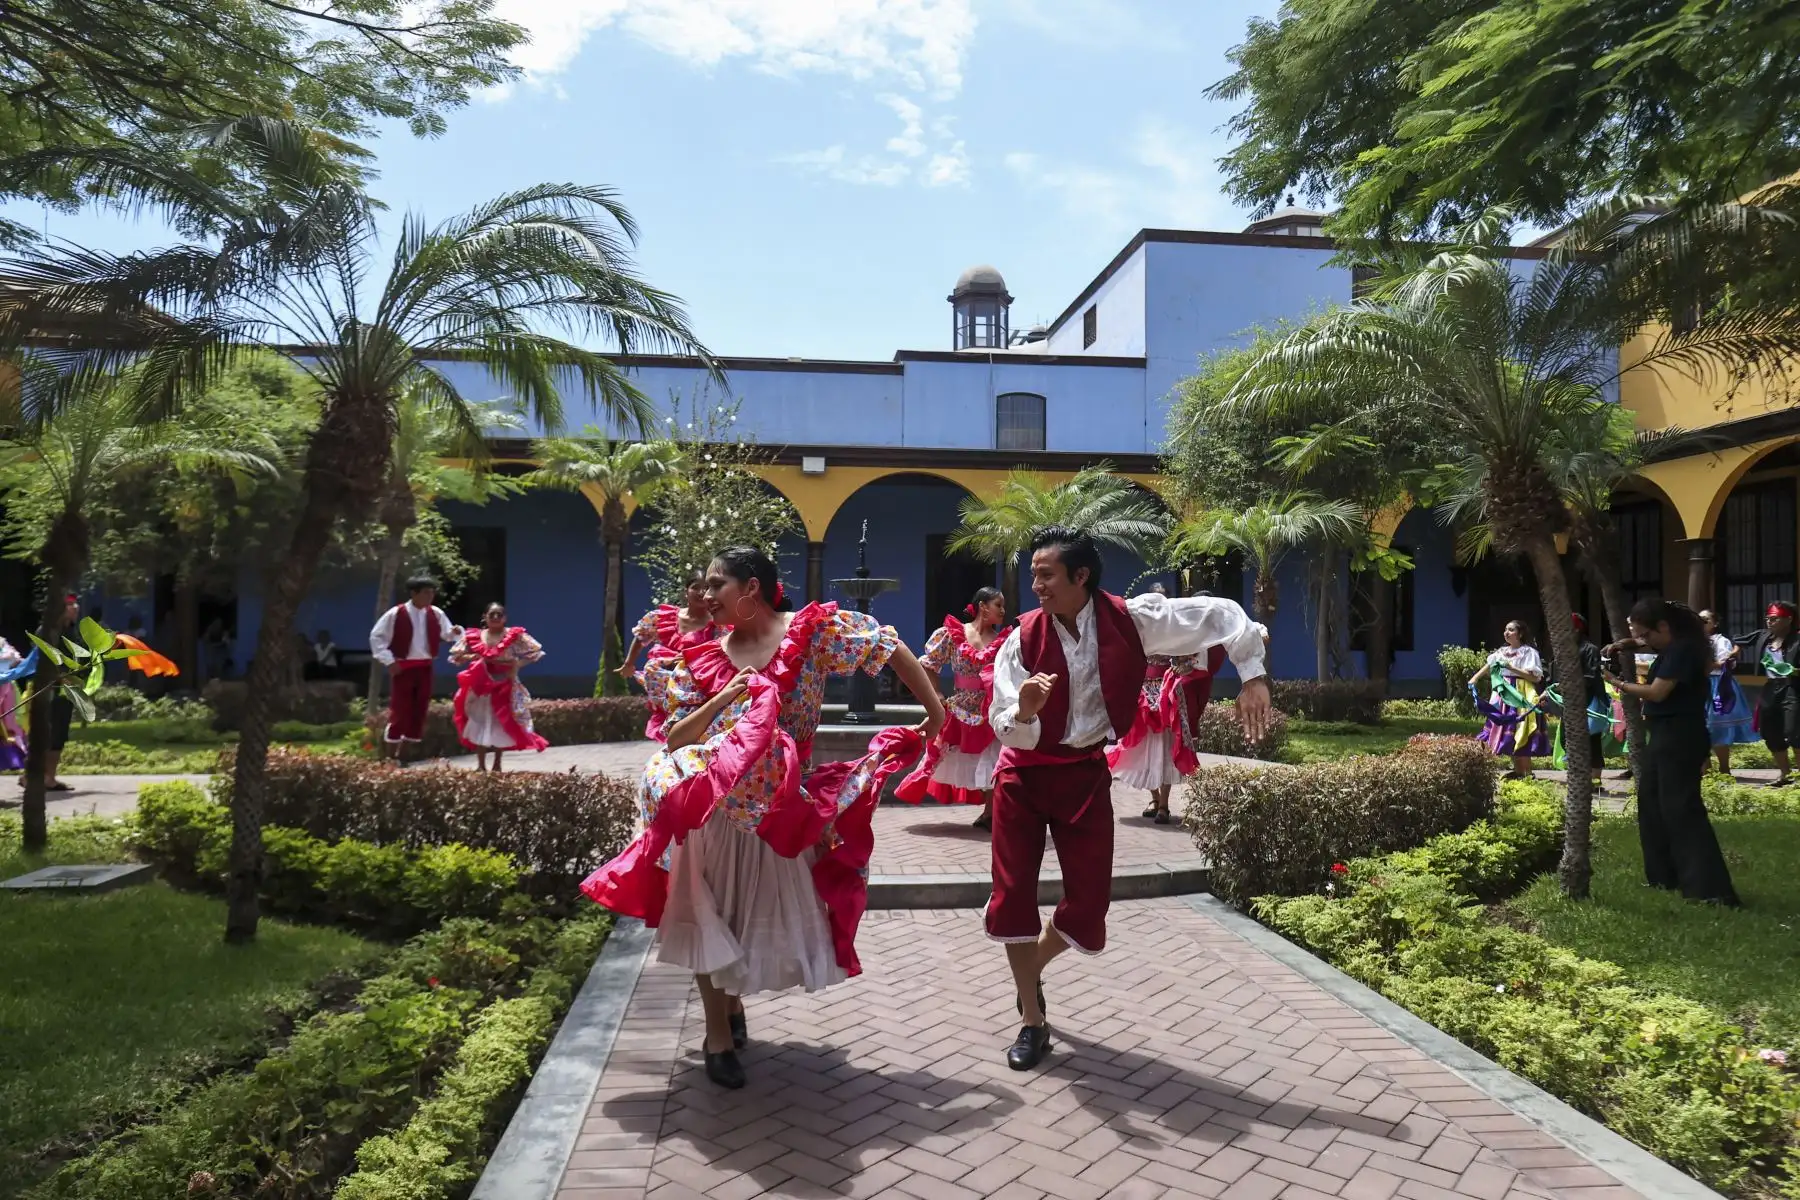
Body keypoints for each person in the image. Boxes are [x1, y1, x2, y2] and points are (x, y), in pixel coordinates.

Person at [581, 546, 945, 1091]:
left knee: (746, 917)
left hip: (778, 812)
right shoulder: (702, 656)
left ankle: (730, 1007)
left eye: (716, 585)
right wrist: (721, 699)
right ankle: (717, 1036)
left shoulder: (812, 634)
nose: (705, 596)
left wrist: (935, 711)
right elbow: (677, 737)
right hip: (711, 812)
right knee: (706, 911)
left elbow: (887, 645)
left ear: (751, 588)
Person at [986, 527, 1271, 1071]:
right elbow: (1004, 723)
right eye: (1034, 575)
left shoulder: (1131, 619)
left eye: (1046, 575)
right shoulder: (1021, 640)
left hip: (1085, 774)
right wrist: (1023, 711)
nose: (1036, 585)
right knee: (1014, 897)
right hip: (1023, 776)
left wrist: (1252, 674)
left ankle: (1030, 974)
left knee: (1089, 905)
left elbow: (1218, 613)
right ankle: (1032, 1021)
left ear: (1081, 576)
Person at [1604, 599, 1740, 906]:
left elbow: (1657, 692)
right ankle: (1664, 877)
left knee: (1682, 809)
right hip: (1663, 735)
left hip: (1681, 735)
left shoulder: (1683, 650)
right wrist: (1625, 644)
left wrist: (1617, 683)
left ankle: (1710, 889)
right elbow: (1645, 644)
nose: (1645, 641)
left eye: (1647, 634)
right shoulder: (1673, 646)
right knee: (1652, 803)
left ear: (1664, 627)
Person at [894, 586, 1011, 829]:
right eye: (998, 605)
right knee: (952, 756)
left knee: (993, 757)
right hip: (960, 708)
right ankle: (989, 812)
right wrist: (936, 694)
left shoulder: (1004, 641)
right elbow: (928, 665)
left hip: (990, 707)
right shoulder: (952, 634)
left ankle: (991, 812)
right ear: (982, 606)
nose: (1003, 611)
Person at [450, 602, 548, 772]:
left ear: (505, 618)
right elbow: (455, 657)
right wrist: (473, 658)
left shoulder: (515, 635)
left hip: (505, 683)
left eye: (499, 615)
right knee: (478, 720)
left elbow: (537, 653)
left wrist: (516, 666)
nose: (495, 617)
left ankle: (497, 763)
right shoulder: (475, 636)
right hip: (481, 684)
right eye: (492, 614)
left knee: (501, 721)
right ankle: (481, 765)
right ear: (485, 617)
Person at [369, 577, 459, 752]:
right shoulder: (396, 613)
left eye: (432, 593)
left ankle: (405, 753)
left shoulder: (436, 613)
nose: (430, 596)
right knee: (400, 708)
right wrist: (389, 661)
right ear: (414, 593)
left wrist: (454, 632)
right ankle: (390, 753)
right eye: (426, 592)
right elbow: (377, 637)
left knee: (420, 708)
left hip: (425, 667)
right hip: (403, 667)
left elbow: (447, 634)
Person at [1469, 620, 1550, 779]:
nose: (1506, 632)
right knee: (1506, 731)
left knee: (1521, 729)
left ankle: (1526, 773)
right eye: (1506, 629)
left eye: (1511, 630)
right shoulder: (1502, 651)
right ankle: (1518, 771)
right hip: (1503, 695)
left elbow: (1535, 678)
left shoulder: (1529, 652)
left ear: (1520, 633)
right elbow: (1490, 665)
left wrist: (1512, 668)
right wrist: (1475, 678)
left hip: (1520, 694)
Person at [1737, 601, 1799, 786]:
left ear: (1788, 619)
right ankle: (1785, 774)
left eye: (1774, 619)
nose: (1769, 622)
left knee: (1794, 732)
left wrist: (1793, 670)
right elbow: (1737, 640)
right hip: (1771, 687)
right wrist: (1733, 652)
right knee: (1770, 732)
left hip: (1793, 688)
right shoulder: (1763, 636)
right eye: (1768, 619)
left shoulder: (1797, 639)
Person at [620, 571, 718, 680]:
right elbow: (640, 637)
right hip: (663, 681)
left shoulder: (719, 624)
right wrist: (628, 663)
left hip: (698, 679)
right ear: (686, 592)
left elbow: (723, 652)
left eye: (706, 588)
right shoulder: (663, 617)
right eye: (695, 587)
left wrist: (691, 656)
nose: (701, 592)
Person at [1699, 609, 1755, 774]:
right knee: (1699, 727)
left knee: (1718, 727)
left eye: (1706, 620)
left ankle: (1724, 768)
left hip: (1718, 684)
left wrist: (1706, 665)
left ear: (1715, 623)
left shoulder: (1721, 641)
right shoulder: (1693, 640)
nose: (1702, 623)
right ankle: (1706, 769)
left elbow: (1725, 662)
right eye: (1699, 619)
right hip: (1698, 685)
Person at [0, 634, 28, 772]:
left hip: (6, 689)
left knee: (9, 723)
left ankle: (11, 758)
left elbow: (17, 659)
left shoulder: (2, 643)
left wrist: (14, 661)